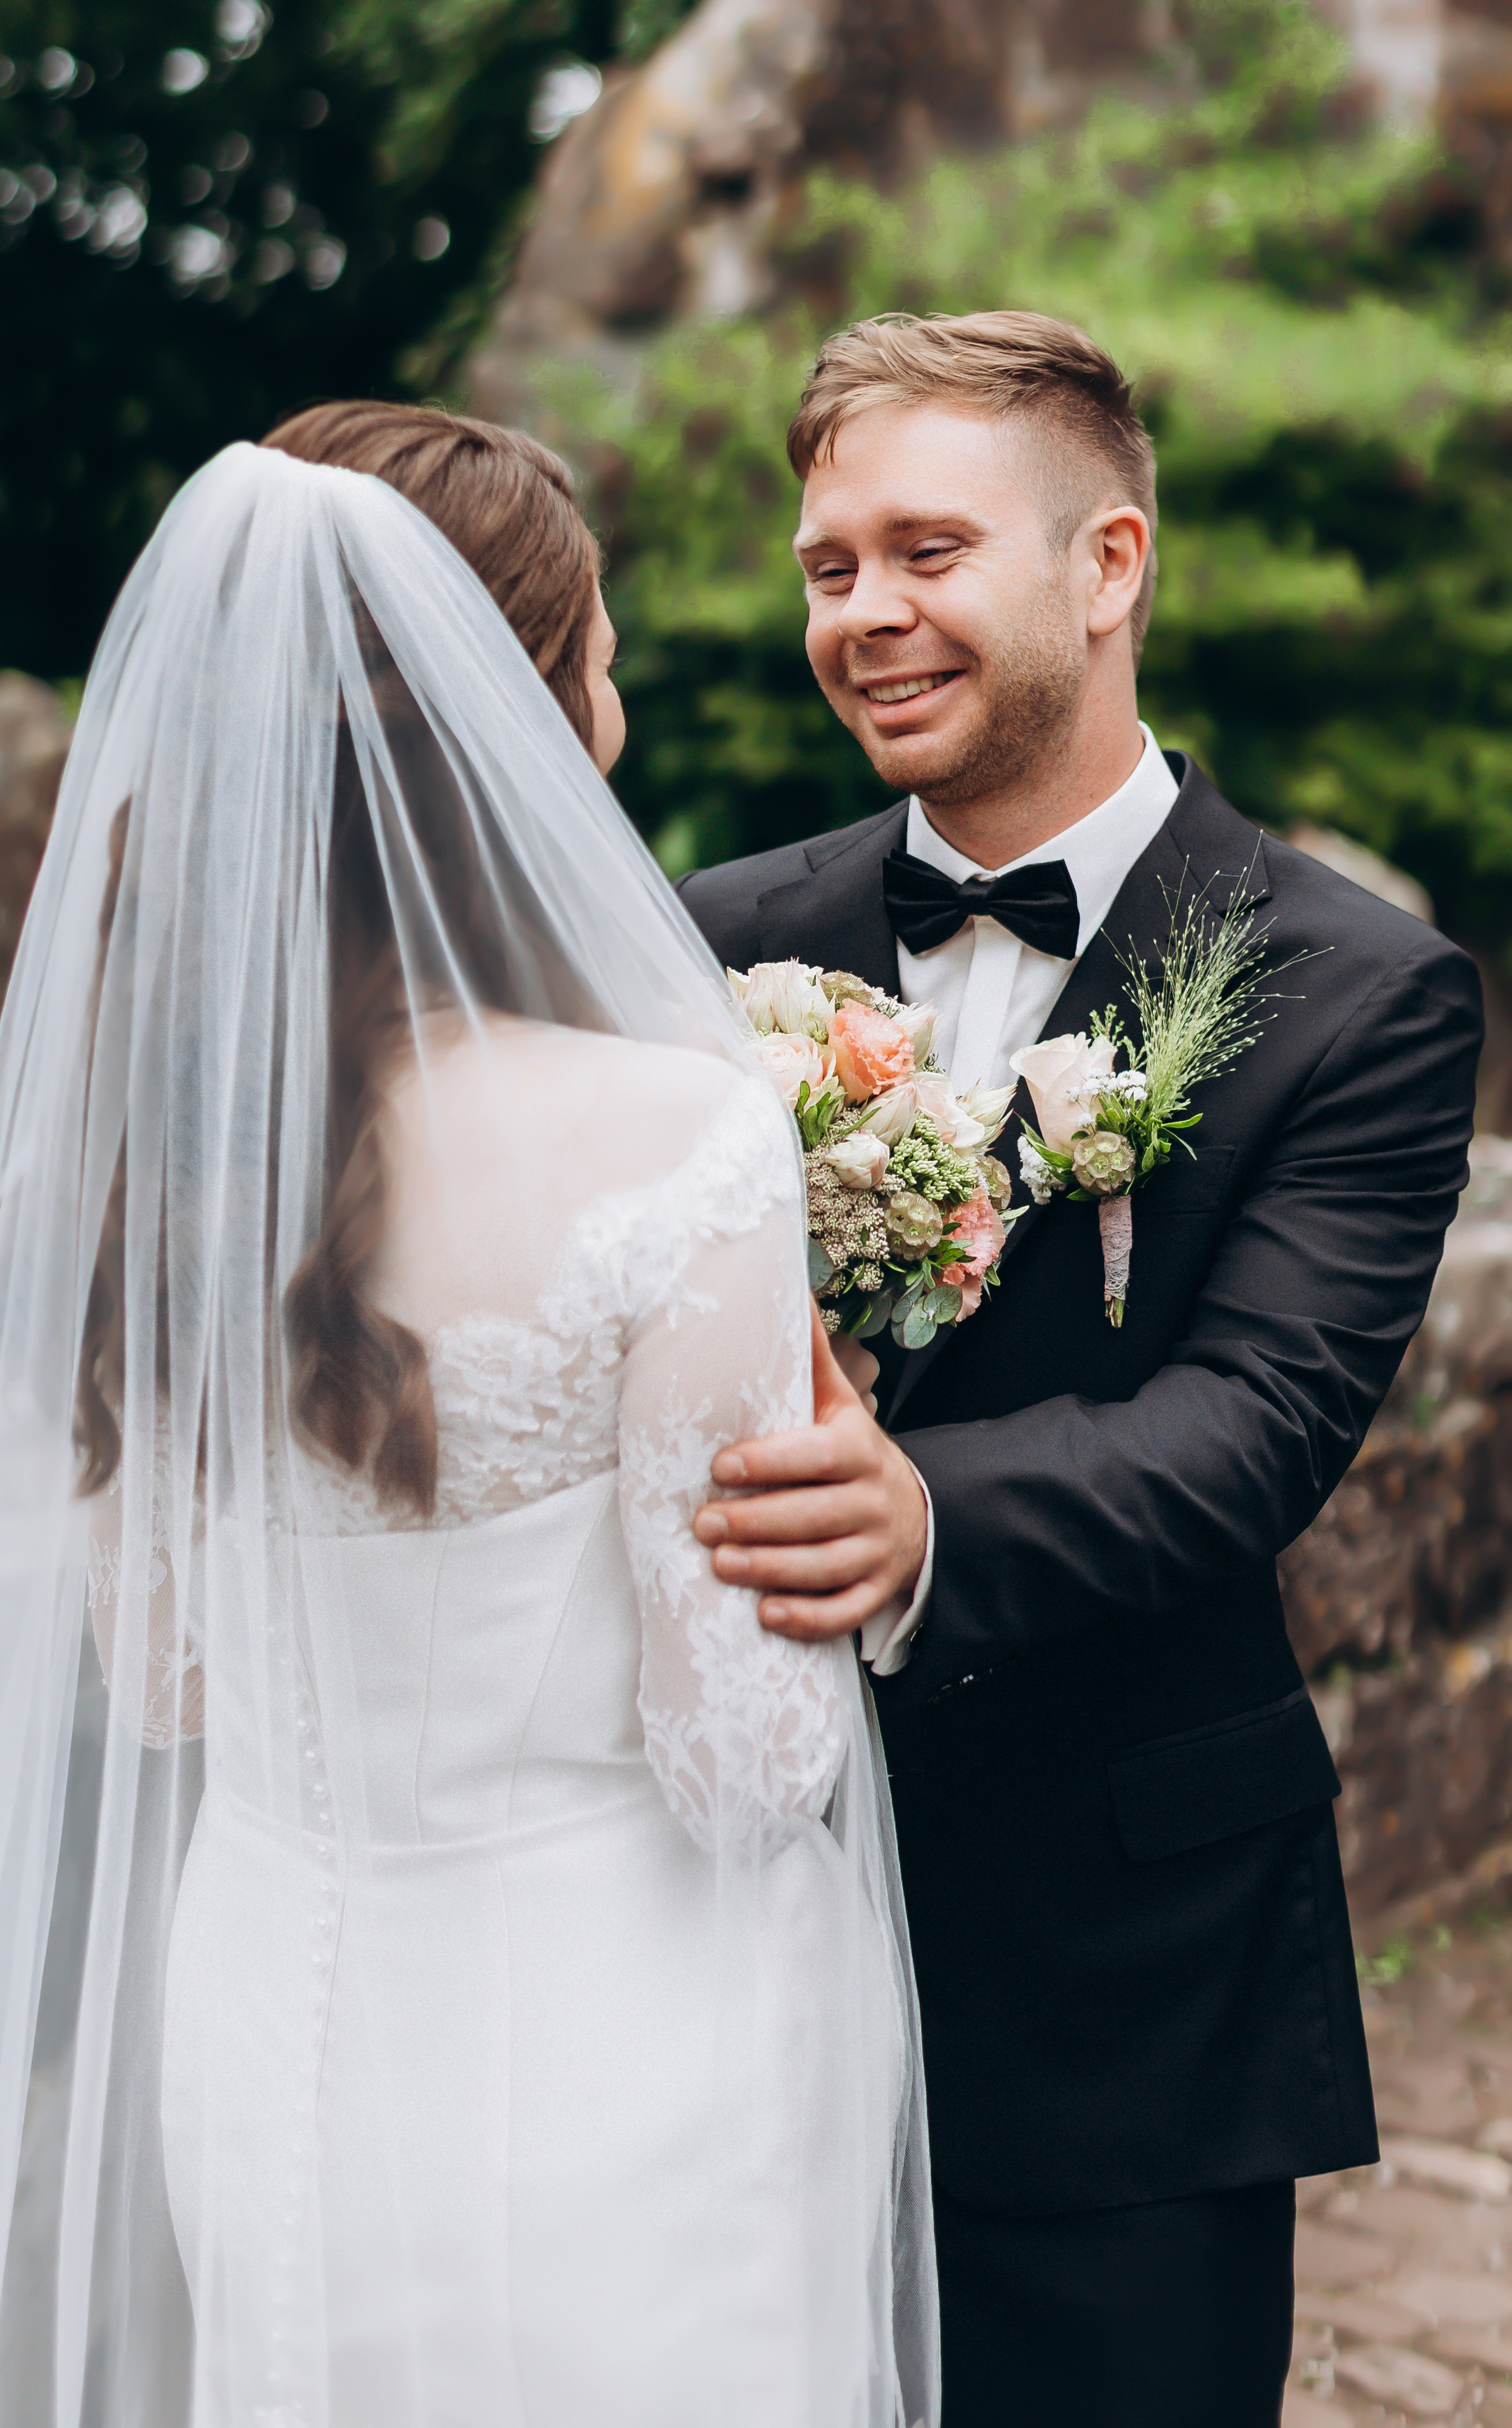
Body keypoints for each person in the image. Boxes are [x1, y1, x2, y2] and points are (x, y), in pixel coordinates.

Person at [0, 406, 937, 2428]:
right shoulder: (680, 1138)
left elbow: (170, 1670)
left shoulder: (145, 1151)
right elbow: (740, 1764)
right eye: (601, 656)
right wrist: (852, 1502)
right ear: (513, 713)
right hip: (616, 2025)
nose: (617, 703)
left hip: (274, 2007)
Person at [678, 311, 1484, 2428]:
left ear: (1108, 563)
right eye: (830, 565)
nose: (868, 614)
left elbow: (1260, 1420)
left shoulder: (1360, 991)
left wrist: (935, 1512)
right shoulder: (705, 940)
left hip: (1122, 1976)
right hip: (704, 1958)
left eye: (927, 550)